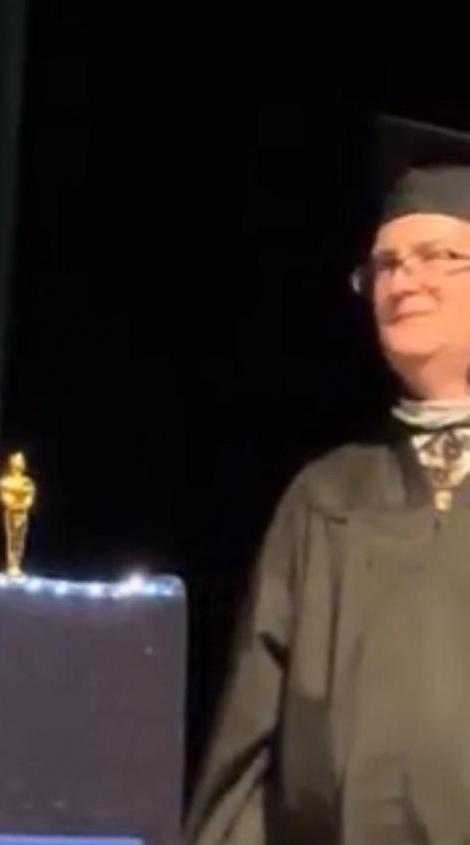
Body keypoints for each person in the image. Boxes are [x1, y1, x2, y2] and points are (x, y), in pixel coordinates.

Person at [185, 114, 470, 843]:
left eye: (438, 255)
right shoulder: (326, 501)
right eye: (385, 264)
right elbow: (249, 759)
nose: (405, 280)